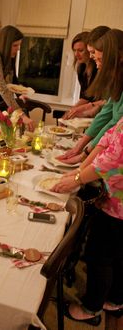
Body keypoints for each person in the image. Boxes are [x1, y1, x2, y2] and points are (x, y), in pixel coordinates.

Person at [51, 117, 123, 325]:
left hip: (118, 207)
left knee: (100, 255)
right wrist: (79, 171)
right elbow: (109, 138)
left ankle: (92, 308)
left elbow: (113, 157)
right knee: (118, 255)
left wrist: (77, 178)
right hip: (117, 201)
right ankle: (115, 300)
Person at [58, 28, 123, 165]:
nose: (95, 61)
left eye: (94, 54)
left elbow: (111, 124)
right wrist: (80, 148)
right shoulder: (116, 80)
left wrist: (84, 156)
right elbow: (106, 114)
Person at [62, 31, 104, 120]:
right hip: (91, 113)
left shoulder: (99, 68)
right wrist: (70, 111)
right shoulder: (81, 68)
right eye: (74, 50)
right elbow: (85, 96)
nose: (76, 54)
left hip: (101, 112)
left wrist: (76, 110)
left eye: (81, 50)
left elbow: (101, 100)